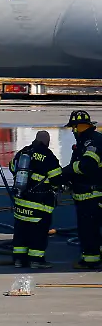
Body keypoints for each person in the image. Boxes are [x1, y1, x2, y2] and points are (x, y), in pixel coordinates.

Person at [8, 130, 63, 269]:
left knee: (21, 232)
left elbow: (12, 166)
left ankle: (19, 260)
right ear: (47, 142)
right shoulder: (48, 156)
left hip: (21, 201)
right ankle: (36, 260)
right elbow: (56, 179)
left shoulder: (24, 152)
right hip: (39, 204)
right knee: (38, 233)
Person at [57, 111, 102, 269]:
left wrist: (65, 172)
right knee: (92, 229)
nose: (73, 131)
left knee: (88, 230)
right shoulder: (85, 142)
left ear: (78, 127)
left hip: (91, 196)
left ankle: (90, 261)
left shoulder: (93, 142)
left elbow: (86, 166)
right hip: (87, 195)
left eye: (74, 128)